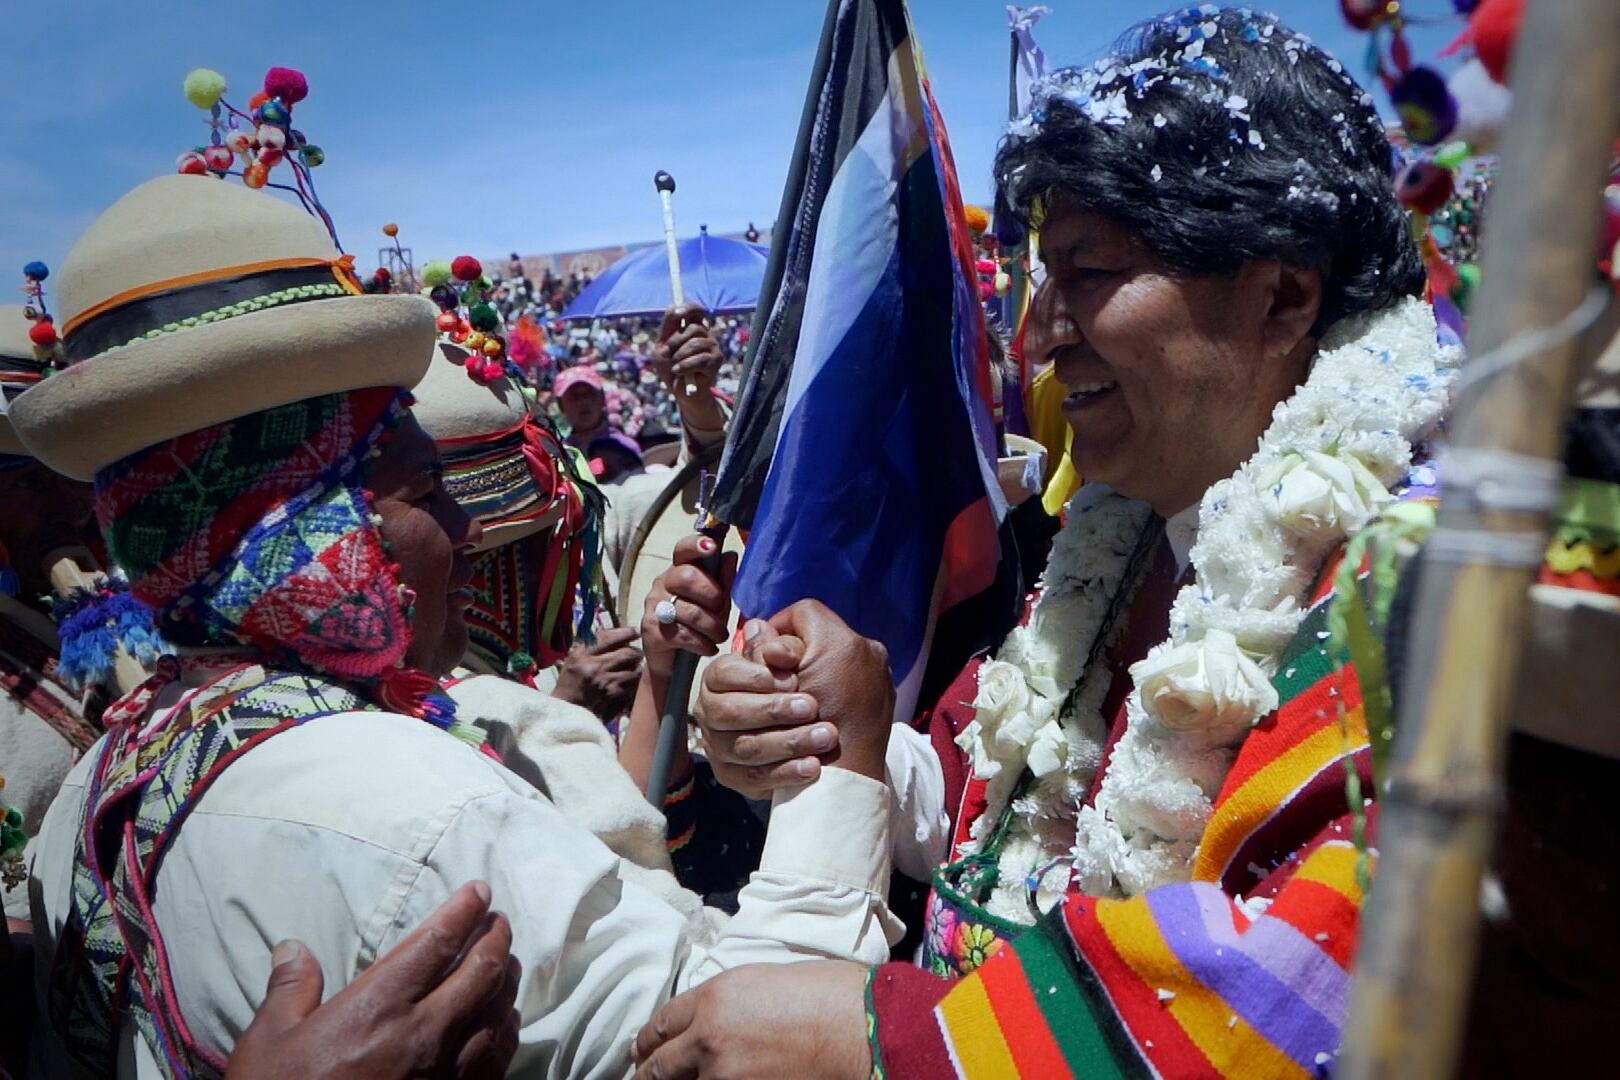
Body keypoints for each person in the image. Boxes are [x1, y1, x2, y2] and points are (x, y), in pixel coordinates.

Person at [632, 8, 1465, 1076]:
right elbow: (995, 810)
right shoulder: (1118, 543)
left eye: (1089, 275)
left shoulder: (1418, 592)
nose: (1035, 337)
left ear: (1283, 296)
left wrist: (888, 1041)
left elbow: (1315, 992)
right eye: (1040, 281)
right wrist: (824, 723)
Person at [18, 174, 899, 1078]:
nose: (471, 531)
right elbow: (744, 1047)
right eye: (425, 493)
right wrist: (842, 772)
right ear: (313, 532)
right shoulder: (424, 811)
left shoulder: (92, 792)